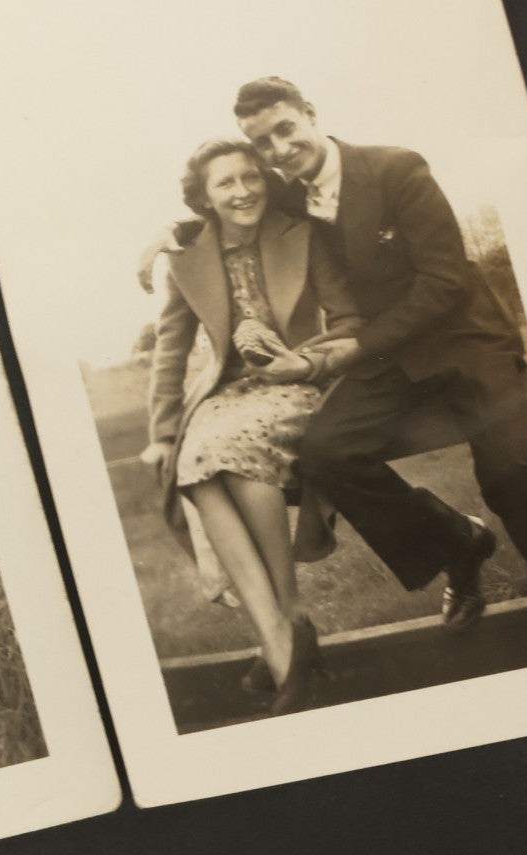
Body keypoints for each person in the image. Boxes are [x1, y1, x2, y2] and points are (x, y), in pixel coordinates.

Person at [146, 77, 527, 649]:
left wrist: (360, 346)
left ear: (310, 115)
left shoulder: (396, 168)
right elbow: (228, 214)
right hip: (387, 361)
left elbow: (444, 281)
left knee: (511, 476)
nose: (278, 150)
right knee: (327, 452)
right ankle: (457, 544)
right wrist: (171, 235)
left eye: (285, 130)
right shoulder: (288, 193)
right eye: (263, 143)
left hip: (465, 343)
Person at [143, 139, 364, 713]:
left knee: (229, 451)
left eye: (251, 177)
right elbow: (171, 352)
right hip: (225, 394)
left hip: (296, 383)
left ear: (266, 180)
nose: (242, 191)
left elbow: (347, 322)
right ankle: (280, 635)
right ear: (205, 198)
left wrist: (306, 361)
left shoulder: (302, 233)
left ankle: (288, 623)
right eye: (226, 183)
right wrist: (163, 433)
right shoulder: (186, 256)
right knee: (193, 460)